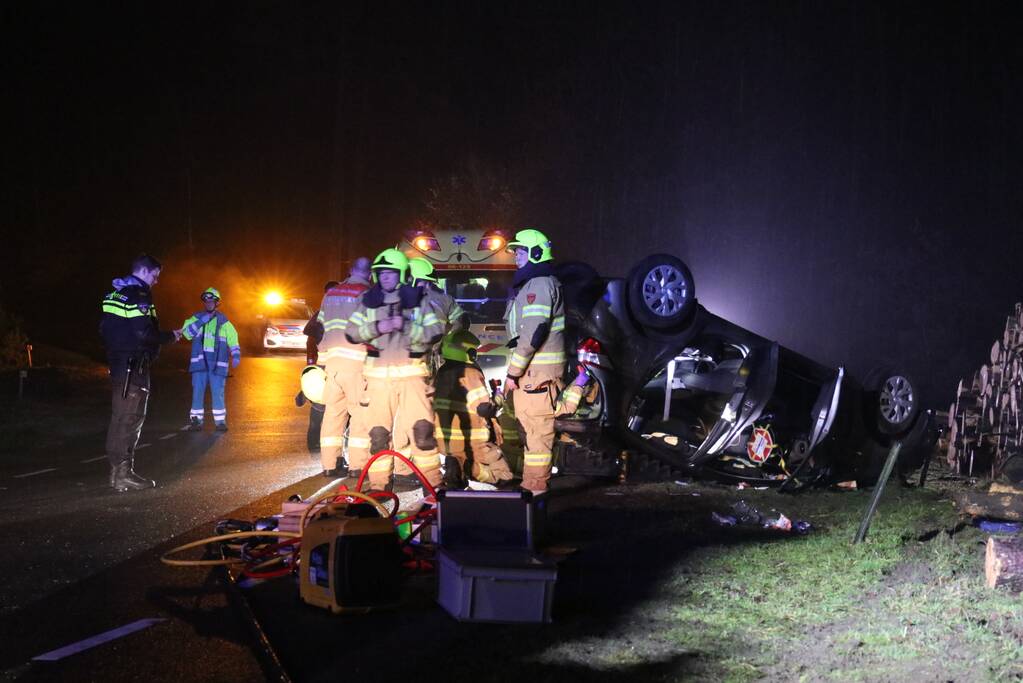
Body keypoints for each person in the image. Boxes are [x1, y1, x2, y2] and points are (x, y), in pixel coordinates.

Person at [345, 248, 446, 491]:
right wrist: (378, 326)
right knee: (379, 437)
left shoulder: (420, 300)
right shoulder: (368, 302)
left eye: (390, 273)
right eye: (381, 273)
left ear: (401, 274)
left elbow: (435, 333)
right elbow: (351, 332)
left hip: (413, 379)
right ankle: (379, 487)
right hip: (378, 380)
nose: (385, 277)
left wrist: (408, 327)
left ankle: (433, 486)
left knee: (422, 434)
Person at [99, 253, 181, 491]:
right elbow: (144, 333)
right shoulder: (139, 294)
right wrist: (170, 336)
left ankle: (117, 475)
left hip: (119, 364)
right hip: (134, 367)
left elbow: (104, 329)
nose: (156, 281)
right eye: (155, 276)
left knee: (120, 418)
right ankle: (123, 474)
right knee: (130, 419)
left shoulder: (114, 294)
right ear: (145, 271)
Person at [502, 228, 566, 495]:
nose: (516, 256)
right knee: (530, 433)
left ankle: (535, 493)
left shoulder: (539, 284)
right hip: (533, 374)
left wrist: (513, 373)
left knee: (537, 436)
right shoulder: (532, 283)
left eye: (521, 251)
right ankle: (530, 489)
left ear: (536, 254)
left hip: (536, 374)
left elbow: (533, 332)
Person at [434, 329, 515, 487]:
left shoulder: (442, 372)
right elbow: (484, 409)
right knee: (505, 476)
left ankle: (456, 469)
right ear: (467, 352)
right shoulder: (470, 373)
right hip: (473, 443)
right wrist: (499, 395)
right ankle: (467, 468)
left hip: (445, 443)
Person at [318, 260, 372, 477]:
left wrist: (322, 362)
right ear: (369, 274)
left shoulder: (331, 294)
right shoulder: (367, 294)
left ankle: (330, 465)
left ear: (350, 271)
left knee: (332, 415)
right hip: (357, 363)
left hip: (333, 365)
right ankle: (358, 467)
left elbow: (321, 327)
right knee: (360, 416)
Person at [181, 287, 241, 431]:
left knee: (217, 393)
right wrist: (201, 321)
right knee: (198, 392)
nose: (208, 304)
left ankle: (220, 422)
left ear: (217, 303)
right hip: (199, 364)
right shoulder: (195, 318)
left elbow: (233, 339)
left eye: (211, 301)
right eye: (206, 301)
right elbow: (186, 334)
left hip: (217, 366)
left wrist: (236, 354)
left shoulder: (224, 322)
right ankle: (196, 421)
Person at [298, 280, 340, 453]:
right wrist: (311, 367)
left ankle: (336, 445)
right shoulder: (319, 316)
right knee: (318, 407)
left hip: (341, 368)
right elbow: (310, 343)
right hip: (322, 368)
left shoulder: (346, 314)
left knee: (340, 408)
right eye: (328, 294)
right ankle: (313, 442)